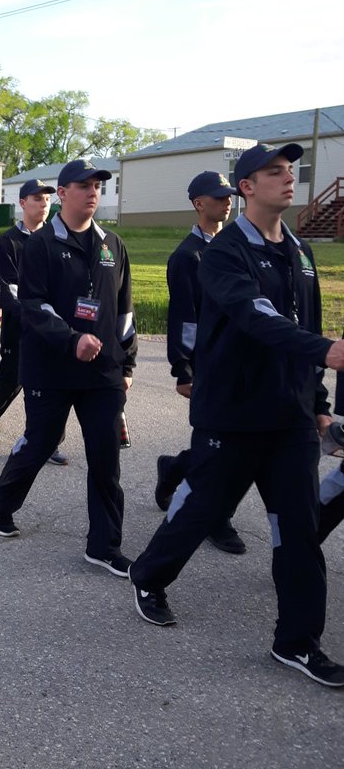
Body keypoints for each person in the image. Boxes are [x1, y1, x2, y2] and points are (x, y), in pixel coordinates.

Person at [130, 143, 344, 689]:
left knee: (297, 530)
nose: (288, 179)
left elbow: (304, 323)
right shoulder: (223, 253)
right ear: (246, 186)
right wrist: (324, 350)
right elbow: (255, 316)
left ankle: (296, 642)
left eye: (290, 171)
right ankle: (149, 577)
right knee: (204, 509)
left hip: (289, 420)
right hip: (231, 415)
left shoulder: (298, 251)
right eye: (273, 172)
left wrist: (318, 407)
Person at [0, 160, 136, 578]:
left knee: (106, 457)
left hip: (102, 372)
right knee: (40, 441)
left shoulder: (113, 245)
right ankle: (3, 500)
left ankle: (104, 546)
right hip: (51, 368)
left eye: (97, 187)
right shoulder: (40, 245)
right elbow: (33, 306)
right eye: (83, 186)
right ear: (62, 193)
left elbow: (124, 311)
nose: (92, 193)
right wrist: (72, 339)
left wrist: (128, 361)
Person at [154, 170, 245, 555]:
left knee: (234, 441)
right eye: (218, 196)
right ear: (198, 203)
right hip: (208, 364)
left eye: (229, 195)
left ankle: (175, 468)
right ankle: (216, 518)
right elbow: (184, 317)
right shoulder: (187, 256)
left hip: (240, 361)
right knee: (222, 446)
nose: (227, 201)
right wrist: (184, 368)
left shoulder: (237, 248)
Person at [0, 179, 68, 464]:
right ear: (23, 203)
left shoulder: (56, 238)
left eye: (47, 199)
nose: (43, 204)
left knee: (52, 385)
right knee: (13, 379)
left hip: (51, 328)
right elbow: (9, 288)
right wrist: (34, 317)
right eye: (37, 199)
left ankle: (49, 442)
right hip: (21, 327)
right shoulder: (10, 242)